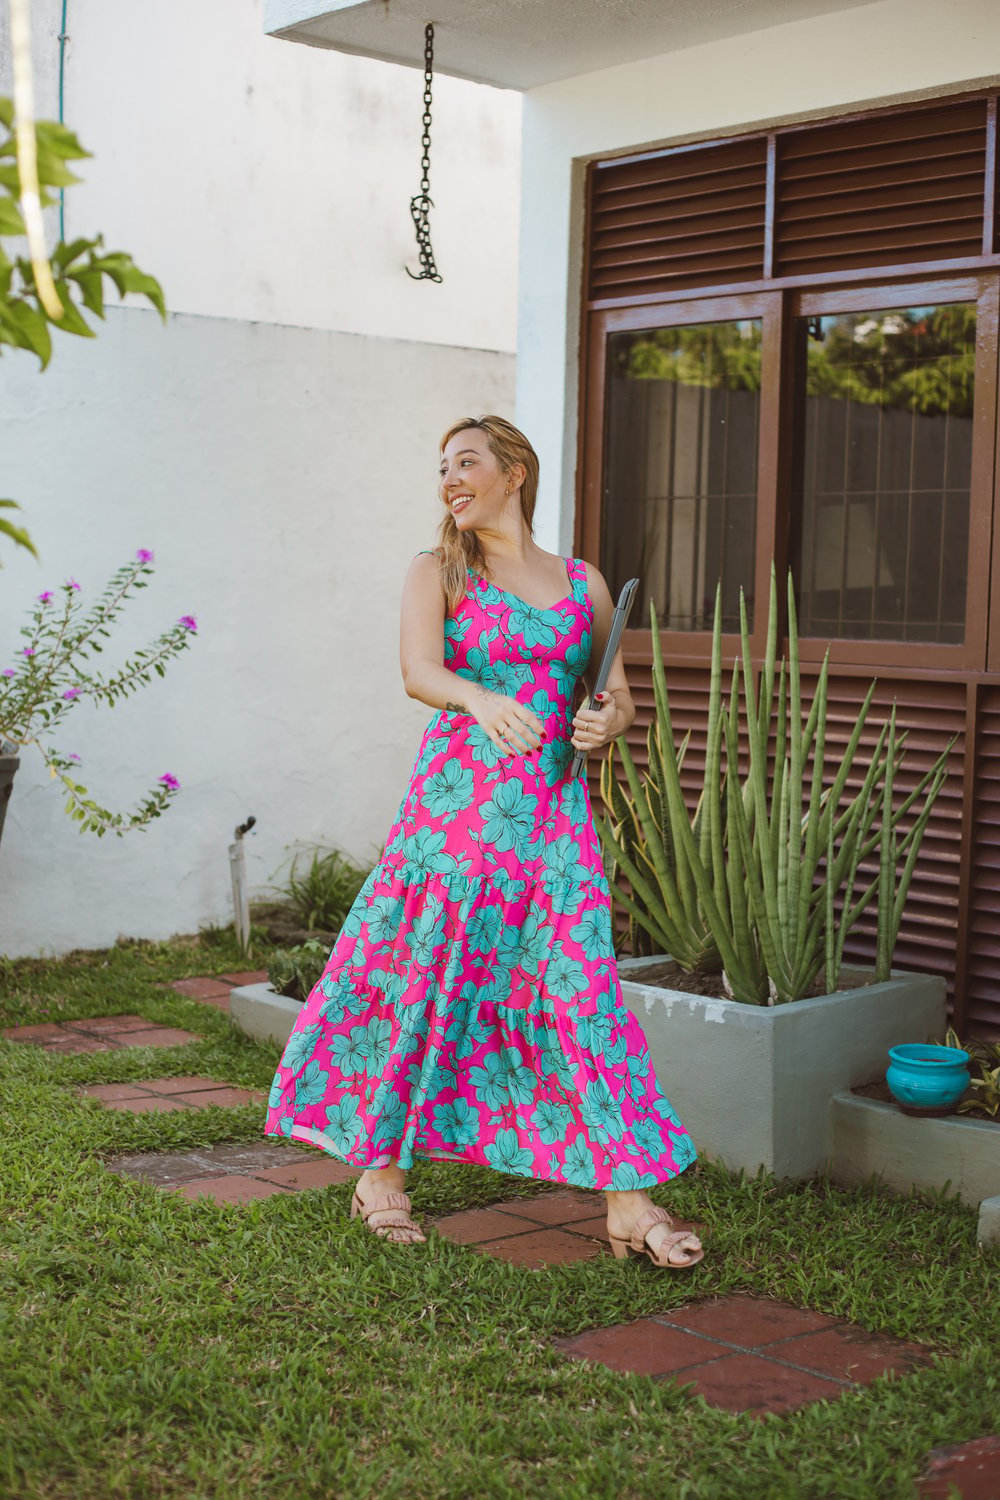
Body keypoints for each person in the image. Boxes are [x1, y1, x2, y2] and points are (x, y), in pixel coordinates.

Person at [264, 415, 703, 1271]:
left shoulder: (584, 582)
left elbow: (618, 694)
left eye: (466, 462)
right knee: (426, 975)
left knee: (580, 992)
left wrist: (604, 721)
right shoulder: (439, 570)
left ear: (515, 472)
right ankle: (381, 1176)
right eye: (441, 468)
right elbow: (417, 670)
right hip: (458, 811)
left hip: (552, 819)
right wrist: (477, 697)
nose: (449, 479)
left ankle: (627, 1203)